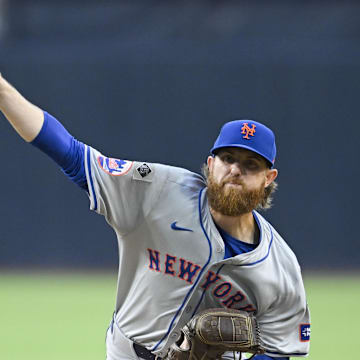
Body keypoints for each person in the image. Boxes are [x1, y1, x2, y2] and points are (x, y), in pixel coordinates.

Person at [0, 74, 310, 360]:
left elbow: (280, 349)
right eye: (228, 158)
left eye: (250, 164)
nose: (235, 170)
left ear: (269, 177)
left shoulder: (281, 269)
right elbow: (71, 154)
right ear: (210, 163)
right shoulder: (159, 191)